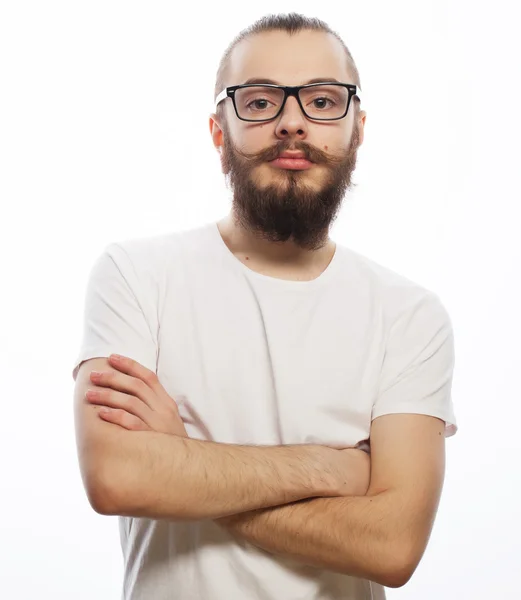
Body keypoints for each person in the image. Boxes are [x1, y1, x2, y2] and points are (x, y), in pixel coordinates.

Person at [72, 12, 458, 600]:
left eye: (323, 101)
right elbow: (117, 478)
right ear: (219, 130)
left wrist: (185, 462)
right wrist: (333, 471)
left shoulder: (409, 316)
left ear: (358, 127)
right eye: (259, 102)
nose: (292, 124)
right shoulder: (136, 275)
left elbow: (392, 547)